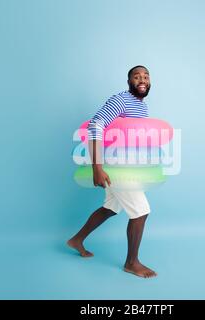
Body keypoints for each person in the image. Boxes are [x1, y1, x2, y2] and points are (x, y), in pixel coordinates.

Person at [67, 66, 157, 278]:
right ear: (129, 81)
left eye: (146, 76)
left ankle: (76, 240)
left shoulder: (142, 106)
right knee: (141, 211)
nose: (142, 80)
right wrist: (96, 168)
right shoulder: (121, 100)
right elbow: (95, 126)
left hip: (129, 165)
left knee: (111, 207)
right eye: (137, 76)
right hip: (116, 167)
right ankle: (131, 262)